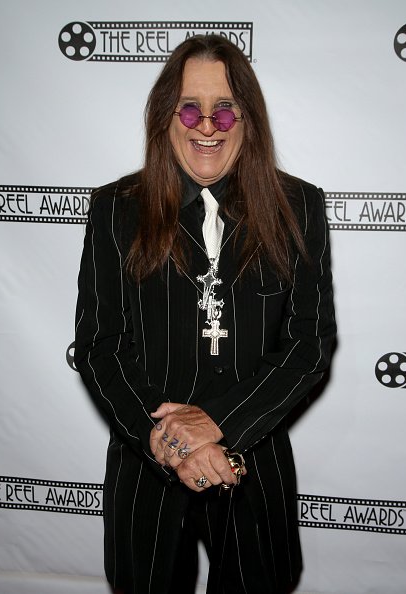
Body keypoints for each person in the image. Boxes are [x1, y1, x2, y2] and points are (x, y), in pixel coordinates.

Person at [75, 34, 336, 594]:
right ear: (166, 117)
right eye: (190, 108)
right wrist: (168, 441)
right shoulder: (115, 209)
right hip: (147, 468)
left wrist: (219, 426)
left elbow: (308, 346)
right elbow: (99, 345)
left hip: (252, 461)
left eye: (224, 109)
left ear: (248, 118)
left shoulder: (300, 207)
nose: (207, 126)